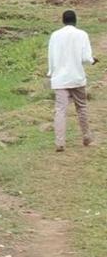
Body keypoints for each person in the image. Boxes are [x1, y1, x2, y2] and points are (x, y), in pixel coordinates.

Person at [47, 10, 95, 151]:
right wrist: (92, 61)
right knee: (81, 107)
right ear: (75, 20)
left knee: (60, 110)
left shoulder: (55, 35)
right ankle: (86, 137)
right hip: (77, 77)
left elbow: (51, 56)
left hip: (60, 78)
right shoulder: (82, 34)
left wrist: (51, 72)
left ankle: (60, 142)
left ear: (63, 20)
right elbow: (86, 57)